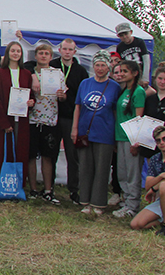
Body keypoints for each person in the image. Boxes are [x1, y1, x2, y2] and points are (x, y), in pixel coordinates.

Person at [71, 49, 119, 215]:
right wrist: (74, 128)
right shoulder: (85, 83)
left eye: (103, 65)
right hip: (85, 131)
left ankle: (98, 203)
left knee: (102, 168)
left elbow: (115, 111)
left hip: (105, 132)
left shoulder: (114, 87)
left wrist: (116, 134)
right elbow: (78, 107)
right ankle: (85, 201)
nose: (100, 68)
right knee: (85, 167)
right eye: (97, 65)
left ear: (108, 67)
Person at [0, 41, 37, 188]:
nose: (15, 53)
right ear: (8, 53)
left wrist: (31, 102)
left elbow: (31, 95)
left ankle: (19, 185)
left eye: (18, 51)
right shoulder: (0, 73)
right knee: (5, 152)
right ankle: (3, 184)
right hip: (6, 120)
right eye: (13, 51)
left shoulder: (26, 74)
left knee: (21, 152)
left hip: (22, 120)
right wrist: (4, 123)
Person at [53, 39, 89, 205]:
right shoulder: (52, 66)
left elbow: (83, 97)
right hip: (52, 116)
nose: (67, 52)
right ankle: (49, 188)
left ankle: (74, 190)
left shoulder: (80, 71)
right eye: (65, 49)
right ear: (60, 50)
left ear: (75, 52)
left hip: (70, 118)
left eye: (70, 50)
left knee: (72, 156)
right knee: (50, 154)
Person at [25, 42, 60, 204]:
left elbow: (63, 96)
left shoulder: (57, 74)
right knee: (31, 156)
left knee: (47, 157)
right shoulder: (28, 73)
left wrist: (62, 96)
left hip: (50, 120)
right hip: (32, 120)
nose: (43, 56)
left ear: (51, 57)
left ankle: (48, 190)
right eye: (41, 53)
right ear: (36, 56)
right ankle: (33, 189)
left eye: (46, 53)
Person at [112, 60, 146, 219]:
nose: (122, 74)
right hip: (120, 136)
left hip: (131, 138)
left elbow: (138, 118)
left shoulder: (138, 91)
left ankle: (133, 205)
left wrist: (135, 142)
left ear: (135, 73)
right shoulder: (123, 90)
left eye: (125, 71)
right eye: (120, 71)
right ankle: (126, 202)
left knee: (132, 173)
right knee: (122, 172)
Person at [114, 22, 150, 86]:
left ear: (131, 32)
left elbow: (146, 60)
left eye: (126, 34)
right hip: (127, 75)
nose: (124, 37)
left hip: (139, 72)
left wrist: (145, 78)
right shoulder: (120, 47)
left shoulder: (139, 42)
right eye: (121, 35)